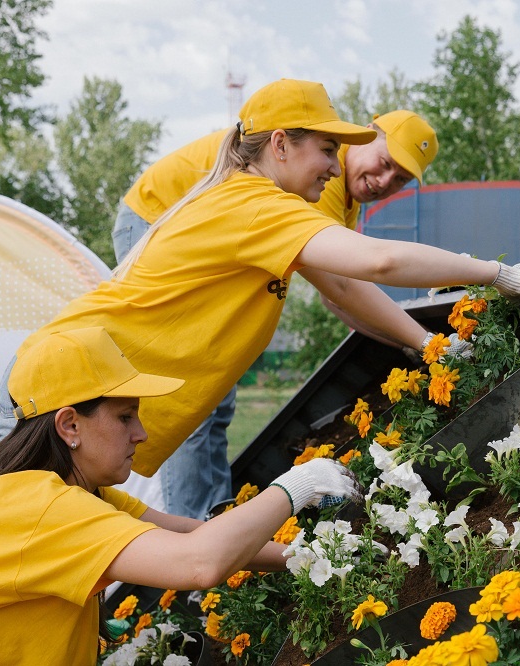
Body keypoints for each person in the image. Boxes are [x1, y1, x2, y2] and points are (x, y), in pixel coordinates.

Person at [0, 78, 520, 514]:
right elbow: (368, 268)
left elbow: (350, 287)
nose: (336, 165)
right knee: (37, 563)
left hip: (74, 396)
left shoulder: (265, 199)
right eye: (327, 149)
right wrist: (492, 276)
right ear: (281, 144)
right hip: (58, 396)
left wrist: (425, 344)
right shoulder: (255, 204)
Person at [0, 326, 358, 665]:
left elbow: (198, 537)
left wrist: (314, 559)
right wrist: (301, 484)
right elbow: (199, 563)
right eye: (126, 416)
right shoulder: (38, 505)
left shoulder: (84, 495)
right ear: (70, 425)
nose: (141, 433)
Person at [104, 104, 441, 519]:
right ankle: (193, 530)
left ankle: (211, 520)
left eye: (401, 179)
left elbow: (338, 297)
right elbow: (339, 285)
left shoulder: (339, 187)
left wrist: (407, 343)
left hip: (181, 222)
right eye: (386, 163)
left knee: (216, 398)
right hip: (152, 213)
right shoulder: (321, 169)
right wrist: (423, 342)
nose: (386, 180)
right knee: (191, 387)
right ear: (366, 137)